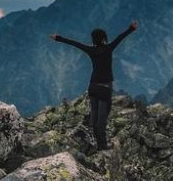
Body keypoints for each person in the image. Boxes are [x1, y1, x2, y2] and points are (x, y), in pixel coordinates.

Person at [49, 21, 138, 150]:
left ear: (93, 39)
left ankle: (98, 144)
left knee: (94, 118)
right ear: (104, 38)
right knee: (102, 119)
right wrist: (131, 29)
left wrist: (58, 38)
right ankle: (103, 146)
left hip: (93, 87)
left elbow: (75, 43)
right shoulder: (109, 48)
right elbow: (120, 38)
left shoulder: (91, 50)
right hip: (105, 87)